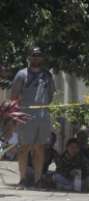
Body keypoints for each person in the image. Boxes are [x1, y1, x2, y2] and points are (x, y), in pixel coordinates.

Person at [10, 47, 56, 189]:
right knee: (23, 148)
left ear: (42, 58)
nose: (36, 58)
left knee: (39, 148)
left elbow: (50, 95)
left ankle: (38, 180)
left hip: (42, 116)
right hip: (26, 116)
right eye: (33, 55)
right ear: (29, 57)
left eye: (38, 55)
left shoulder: (47, 75)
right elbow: (13, 96)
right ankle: (22, 180)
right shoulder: (21, 74)